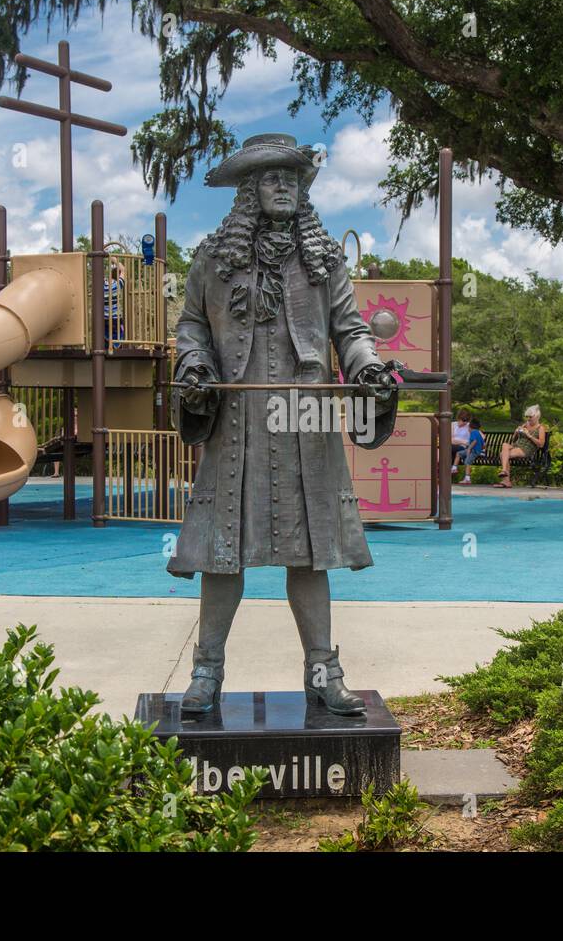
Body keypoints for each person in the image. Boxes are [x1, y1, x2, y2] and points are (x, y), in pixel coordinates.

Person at [166, 132, 397, 717]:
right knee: (224, 553)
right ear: (247, 190)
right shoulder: (212, 260)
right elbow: (191, 325)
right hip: (235, 422)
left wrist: (368, 368)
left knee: (313, 552)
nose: (284, 186)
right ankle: (207, 672)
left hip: (307, 420)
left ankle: (323, 669)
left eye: (292, 177)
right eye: (271, 177)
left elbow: (351, 330)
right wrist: (194, 363)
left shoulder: (325, 262)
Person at [494, 404, 546, 488]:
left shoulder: (540, 428)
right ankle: (504, 471)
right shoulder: (525, 425)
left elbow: (541, 444)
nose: (528, 419)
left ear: (536, 417)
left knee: (502, 454)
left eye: (530, 417)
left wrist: (529, 435)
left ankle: (506, 480)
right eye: (527, 417)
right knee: (505, 445)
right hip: (516, 445)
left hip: (526, 449)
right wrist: (516, 432)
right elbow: (513, 440)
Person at [462, 418, 486, 484]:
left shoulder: (473, 432)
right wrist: (482, 451)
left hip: (474, 451)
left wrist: (469, 448)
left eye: (468, 428)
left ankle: (467, 479)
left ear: (470, 427)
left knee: (467, 462)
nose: (468, 430)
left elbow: (474, 441)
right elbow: (483, 444)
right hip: (478, 451)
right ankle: (466, 478)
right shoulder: (478, 432)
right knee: (460, 454)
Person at [450, 409, 471, 474]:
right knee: (449, 448)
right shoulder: (452, 425)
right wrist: (463, 441)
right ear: (458, 418)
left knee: (449, 449)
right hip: (453, 446)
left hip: (463, 448)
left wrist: (457, 441)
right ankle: (453, 469)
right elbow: (450, 440)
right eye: (463, 420)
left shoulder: (470, 426)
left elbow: (480, 437)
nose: (465, 422)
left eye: (466, 421)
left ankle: (453, 468)